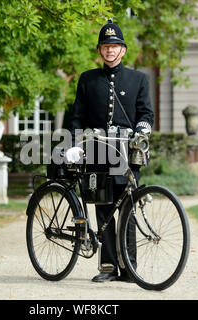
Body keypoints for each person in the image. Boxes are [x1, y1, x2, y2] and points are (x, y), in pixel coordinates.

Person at [67, 19, 154, 282]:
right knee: (103, 209)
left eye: (115, 46)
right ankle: (108, 268)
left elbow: (146, 114)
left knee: (128, 208)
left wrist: (141, 134)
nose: (110, 50)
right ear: (100, 50)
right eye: (106, 46)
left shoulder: (139, 79)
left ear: (123, 50)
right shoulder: (87, 79)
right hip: (96, 152)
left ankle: (130, 268)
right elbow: (77, 117)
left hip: (127, 153)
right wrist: (74, 144)